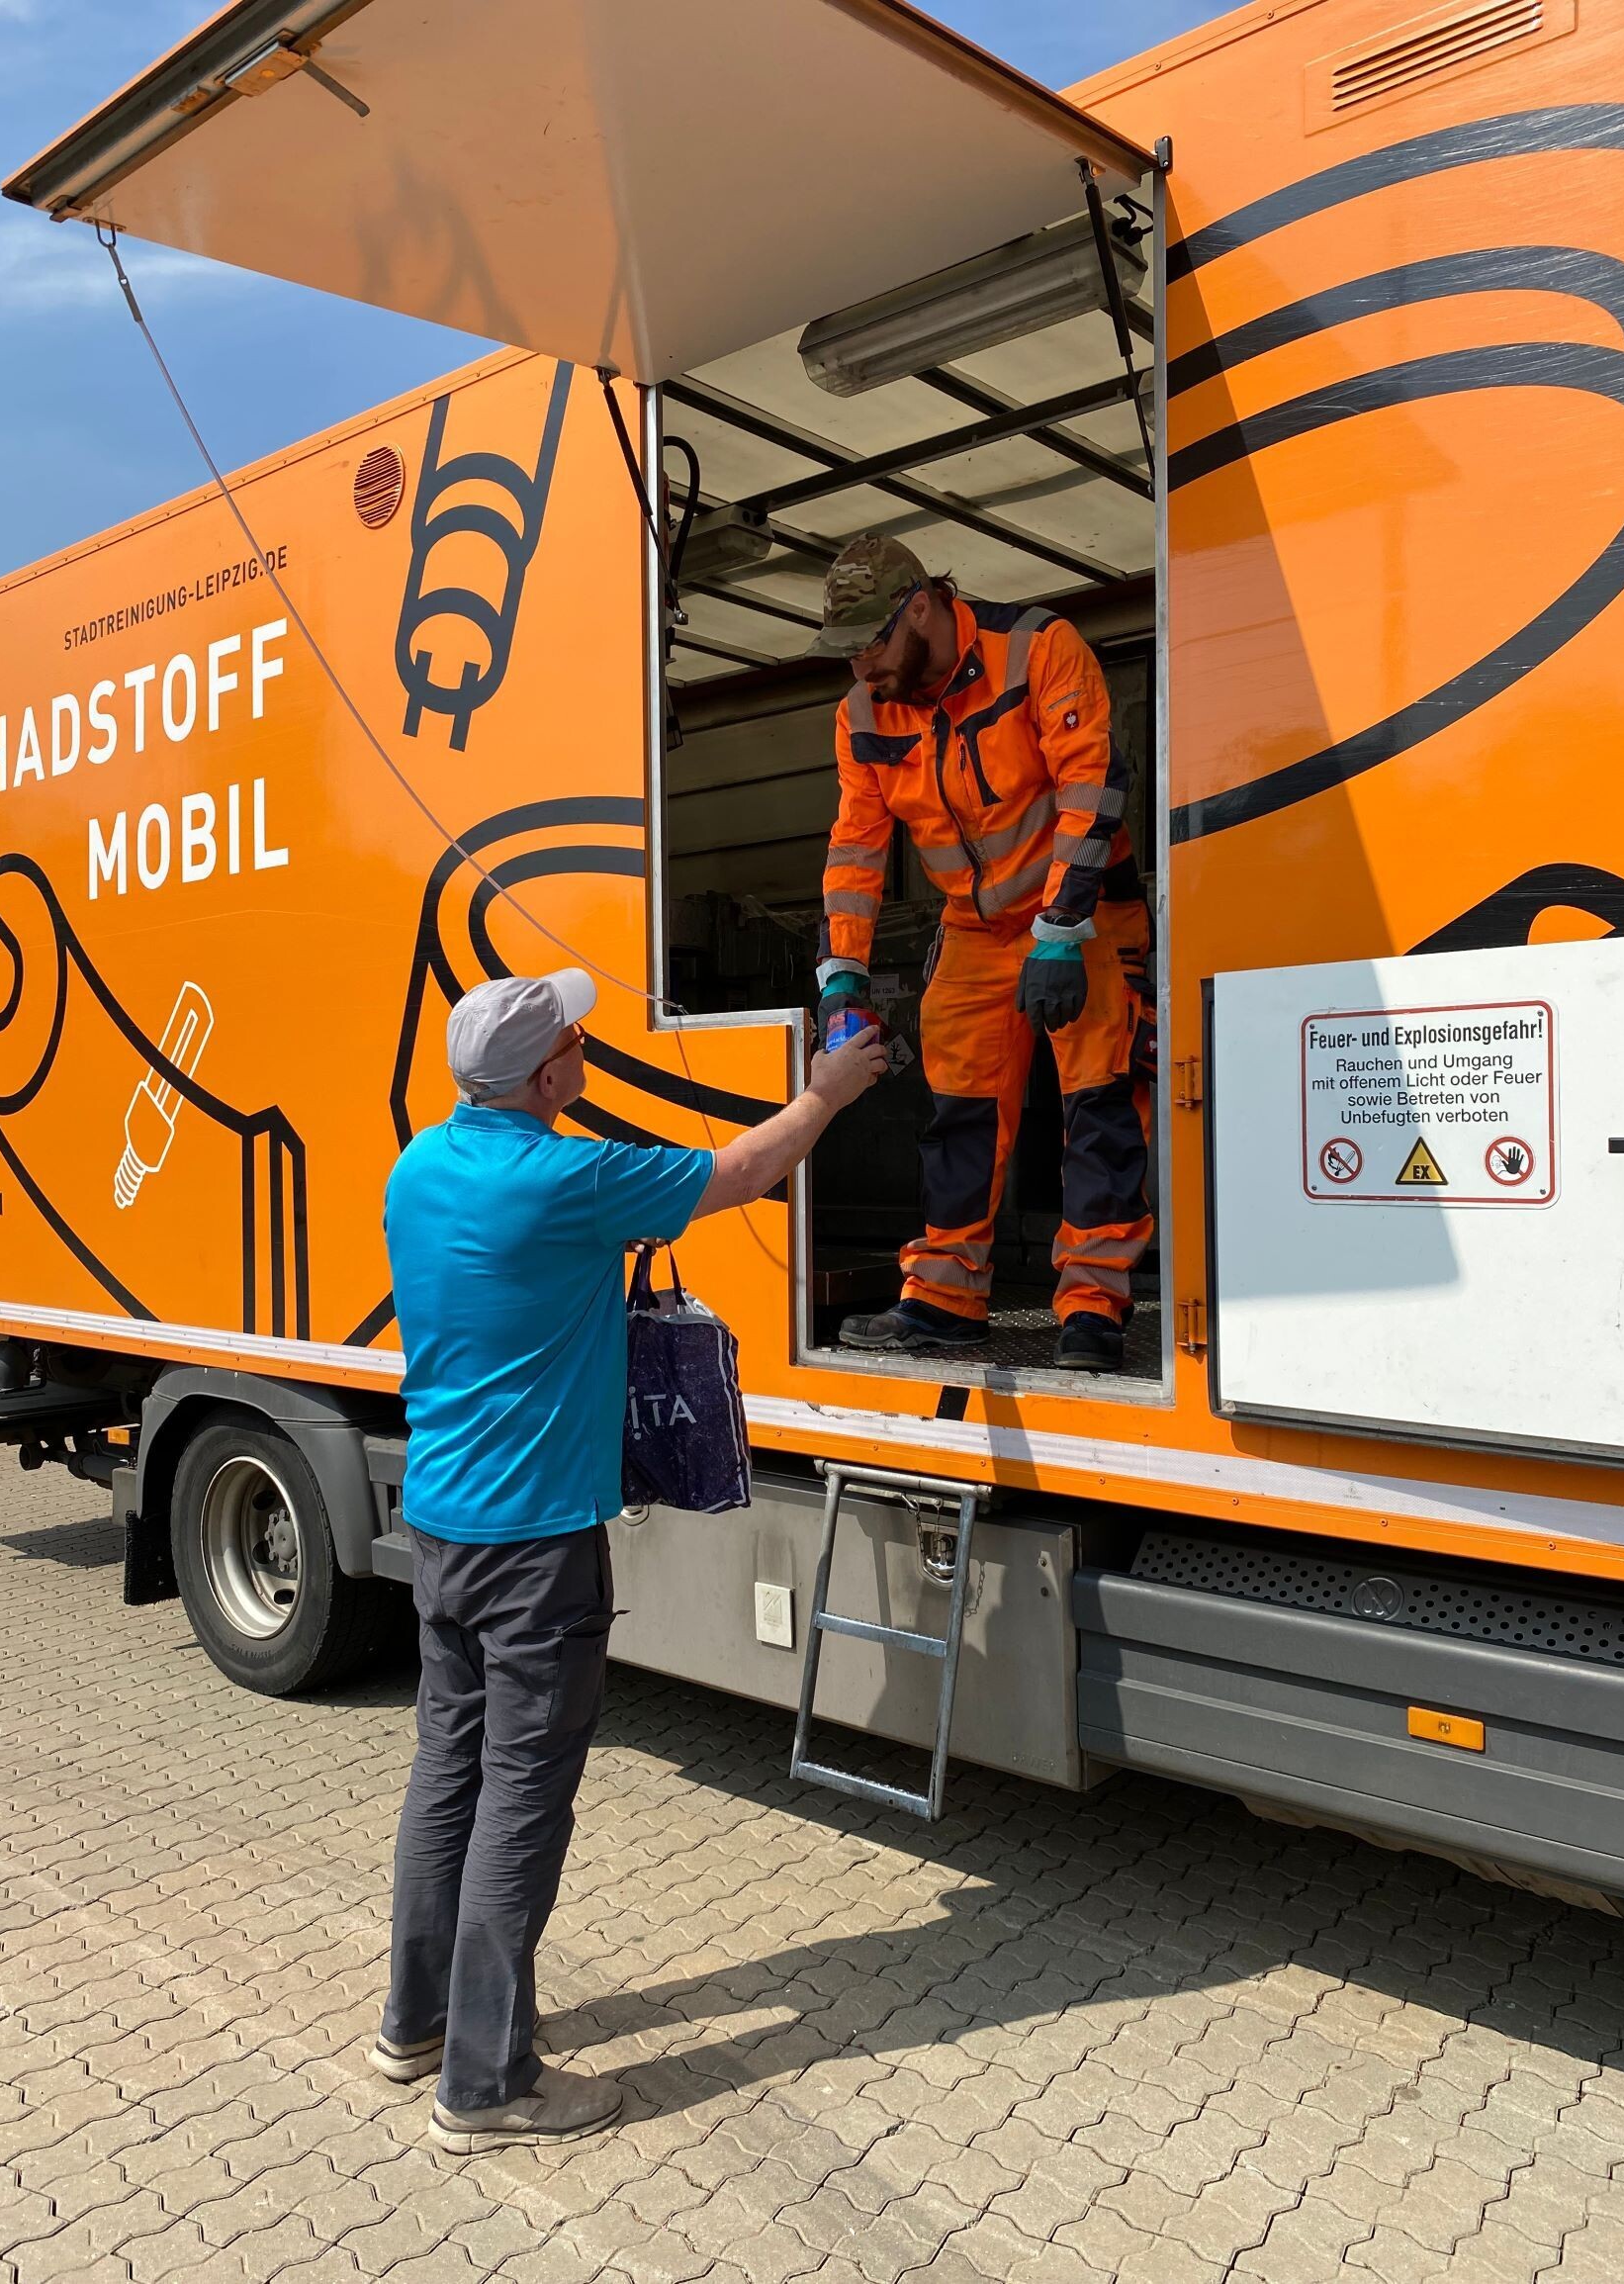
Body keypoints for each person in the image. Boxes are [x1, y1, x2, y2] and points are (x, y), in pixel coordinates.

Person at [374, 965, 885, 2151]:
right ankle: (488, 2084)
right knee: (520, 1802)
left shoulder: (421, 1164)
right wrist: (827, 1091)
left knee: (447, 1773)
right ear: (546, 1073)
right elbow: (741, 1172)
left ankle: (419, 2022)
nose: (585, 1045)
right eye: (574, 1037)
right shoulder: (566, 1178)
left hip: (442, 1519)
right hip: (534, 1545)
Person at [812, 535, 1154, 1374]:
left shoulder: (1036, 649)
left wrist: (1061, 928)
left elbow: (1092, 783)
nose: (862, 668)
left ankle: (1094, 1307)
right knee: (959, 1113)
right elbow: (856, 846)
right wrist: (843, 972)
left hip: (1085, 915)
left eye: (871, 644)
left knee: (1100, 1103)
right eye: (848, 652)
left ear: (919, 608)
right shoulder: (863, 715)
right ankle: (945, 1298)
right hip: (974, 926)